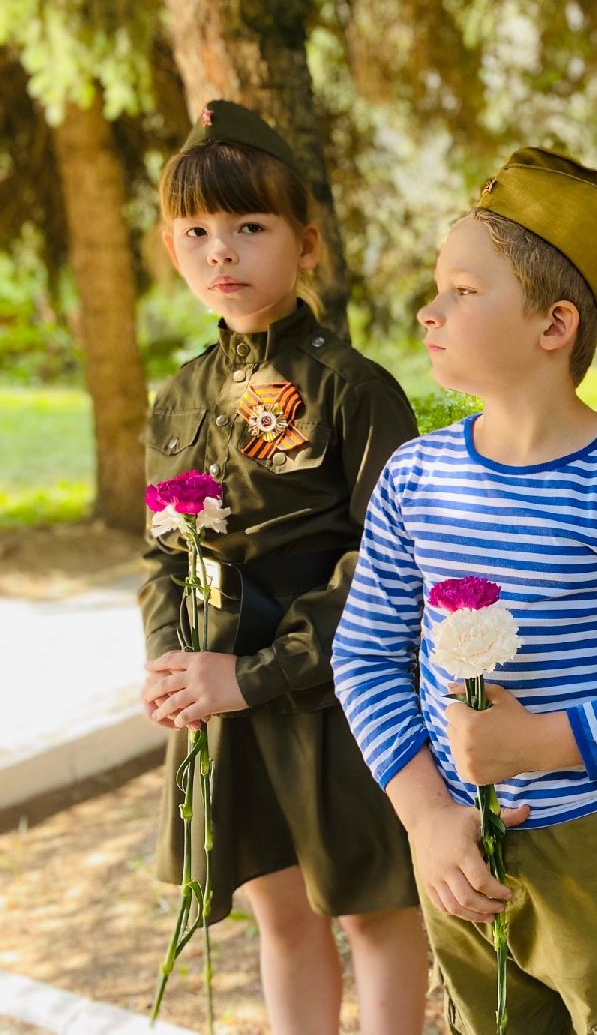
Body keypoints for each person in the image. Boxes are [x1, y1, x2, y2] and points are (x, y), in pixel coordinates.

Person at [331, 147, 597, 1034]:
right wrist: (426, 816)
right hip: (451, 842)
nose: (428, 310)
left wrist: (539, 740)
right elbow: (366, 656)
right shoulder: (414, 480)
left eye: (462, 291)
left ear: (553, 324)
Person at [138, 100, 426, 1035]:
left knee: (376, 909)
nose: (220, 251)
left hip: (335, 699)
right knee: (279, 908)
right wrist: (175, 668)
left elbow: (388, 566)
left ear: (306, 243)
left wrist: (257, 673)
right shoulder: (180, 396)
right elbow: (162, 557)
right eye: (196, 231)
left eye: (249, 227)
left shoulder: (353, 388)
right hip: (223, 708)